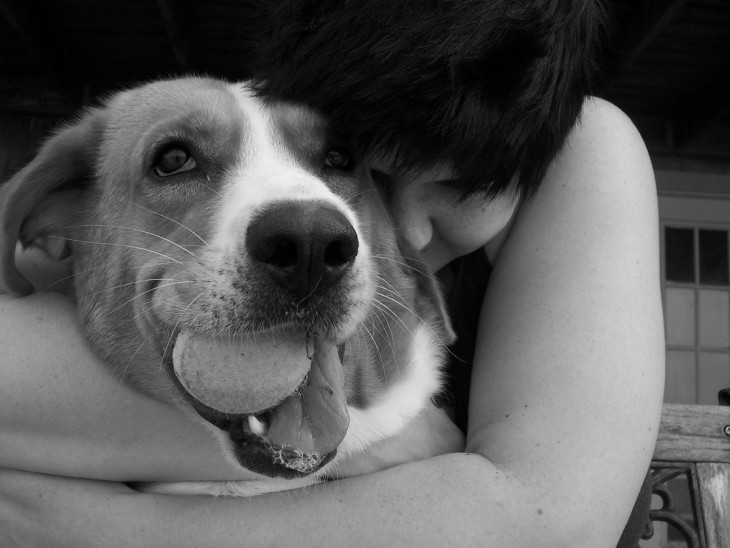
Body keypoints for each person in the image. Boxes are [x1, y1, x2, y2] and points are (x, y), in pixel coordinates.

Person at [0, 1, 664, 546]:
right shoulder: (216, 178)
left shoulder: (576, 146)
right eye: (352, 162)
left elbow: (549, 521)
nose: (395, 232)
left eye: (458, 186)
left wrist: (110, 529)